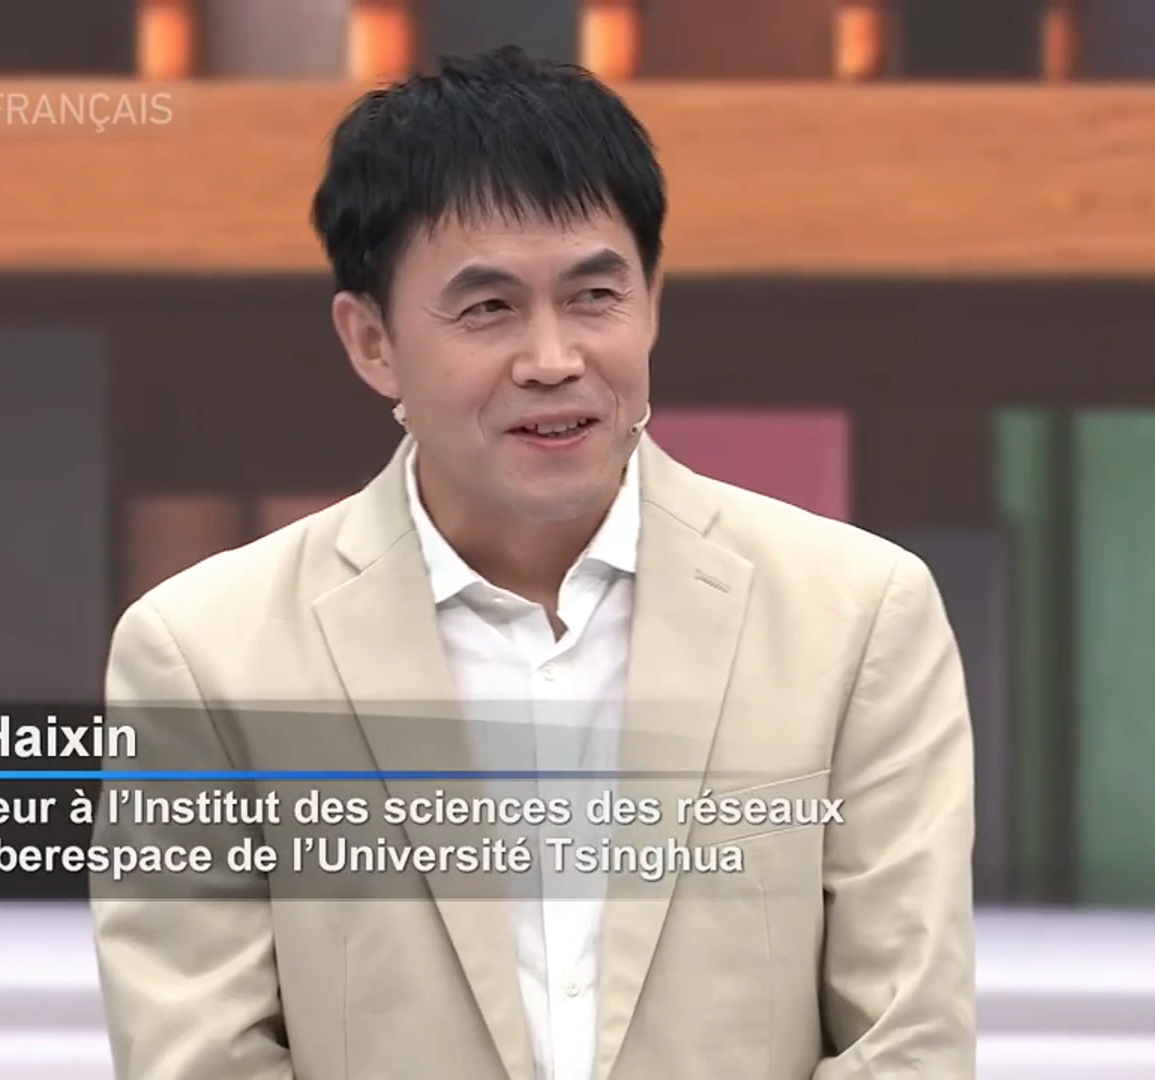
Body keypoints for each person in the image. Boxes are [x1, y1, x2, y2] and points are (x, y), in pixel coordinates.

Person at [92, 45, 975, 1080]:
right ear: (372, 341)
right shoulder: (203, 657)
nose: (554, 360)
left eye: (595, 296)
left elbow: (906, 1041)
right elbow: (199, 1055)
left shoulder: (860, 616)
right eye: (489, 308)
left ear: (652, 302)